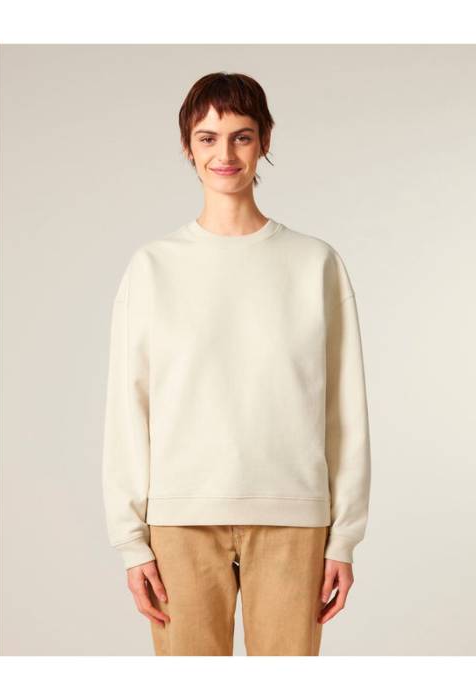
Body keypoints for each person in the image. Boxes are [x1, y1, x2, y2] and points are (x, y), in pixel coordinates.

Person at [102, 72, 371, 656]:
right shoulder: (153, 267)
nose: (224, 154)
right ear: (187, 146)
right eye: (207, 138)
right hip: (181, 519)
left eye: (241, 137)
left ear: (264, 141)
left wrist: (343, 538)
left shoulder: (314, 264)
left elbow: (345, 410)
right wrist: (131, 543)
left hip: (294, 516)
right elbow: (128, 404)